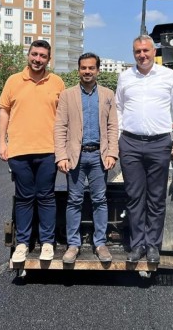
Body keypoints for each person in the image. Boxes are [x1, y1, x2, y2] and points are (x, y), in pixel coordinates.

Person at [116, 34, 173, 263]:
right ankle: (137, 245)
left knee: (156, 198)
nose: (142, 55)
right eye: (138, 51)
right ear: (133, 53)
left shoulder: (168, 76)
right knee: (135, 197)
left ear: (154, 52)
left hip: (159, 143)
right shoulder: (125, 77)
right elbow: (118, 108)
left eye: (146, 50)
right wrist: (118, 138)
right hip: (130, 143)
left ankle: (153, 246)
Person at [0, 40, 65, 263]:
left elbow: (64, 117)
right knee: (24, 198)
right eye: (34, 54)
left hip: (48, 150)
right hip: (19, 150)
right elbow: (5, 112)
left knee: (46, 196)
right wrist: (1, 142)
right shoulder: (13, 81)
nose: (38, 59)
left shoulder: (56, 82)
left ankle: (47, 242)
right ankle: (23, 244)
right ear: (28, 55)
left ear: (49, 59)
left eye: (43, 56)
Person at [55, 52, 119, 263]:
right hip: (76, 156)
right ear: (79, 69)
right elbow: (60, 126)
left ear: (98, 70)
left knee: (99, 200)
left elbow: (112, 127)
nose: (87, 71)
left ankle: (99, 243)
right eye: (84, 68)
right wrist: (61, 155)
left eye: (91, 68)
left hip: (99, 156)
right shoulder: (67, 95)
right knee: (74, 200)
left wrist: (112, 153)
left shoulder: (108, 94)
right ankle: (73, 245)